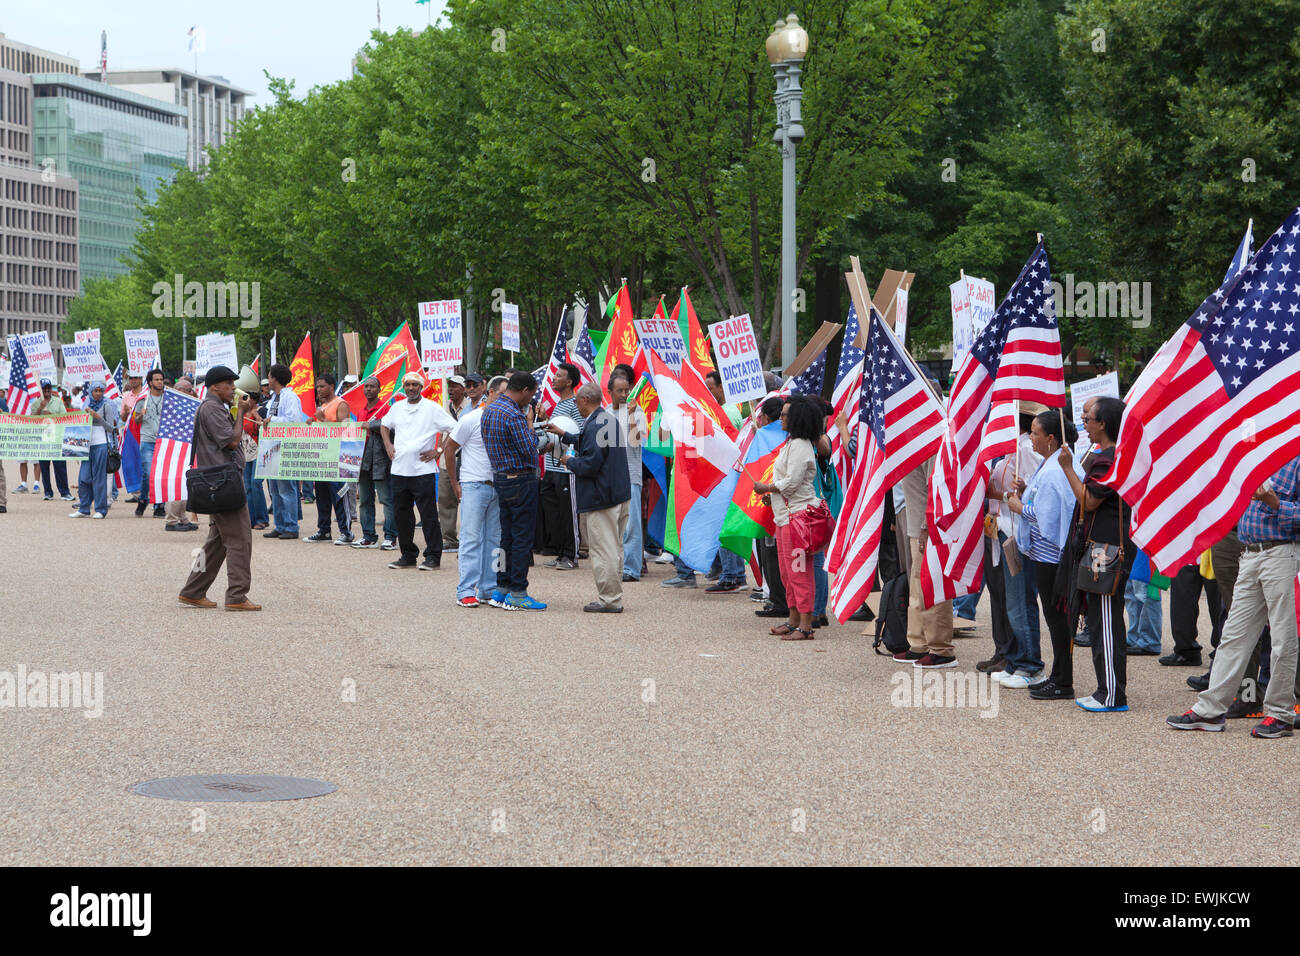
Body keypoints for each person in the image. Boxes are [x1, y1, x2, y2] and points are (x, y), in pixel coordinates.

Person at [1168, 455, 1299, 737]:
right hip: (1251, 553)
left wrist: (1274, 503)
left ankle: (1280, 714)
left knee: (1282, 638)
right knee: (1233, 635)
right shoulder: (1261, 452)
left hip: (1283, 553)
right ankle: (1211, 710)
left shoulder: (1295, 459)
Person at [1058, 395, 1132, 713]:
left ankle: (1113, 694)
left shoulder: (1113, 458)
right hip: (1098, 547)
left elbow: (1088, 501)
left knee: (1106, 620)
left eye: (1088, 419)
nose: (1084, 425)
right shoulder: (1104, 454)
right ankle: (1105, 688)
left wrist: (1067, 468)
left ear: (1103, 424)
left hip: (1107, 550)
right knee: (1100, 621)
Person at [1007, 410, 1082, 701]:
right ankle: (1059, 676)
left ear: (1051, 438)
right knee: (1056, 619)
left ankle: (1063, 681)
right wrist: (1026, 491)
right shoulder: (1052, 465)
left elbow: (1048, 517)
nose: (1031, 438)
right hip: (1049, 555)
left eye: (1036, 433)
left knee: (1057, 619)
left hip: (1050, 557)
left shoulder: (1054, 469)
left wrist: (1019, 507)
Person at [178, 365, 259, 611]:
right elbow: (232, 441)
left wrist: (236, 411)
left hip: (219, 483)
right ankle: (236, 595)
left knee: (216, 543)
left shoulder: (213, 407)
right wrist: (241, 413)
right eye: (229, 384)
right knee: (240, 539)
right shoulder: (212, 409)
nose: (234, 389)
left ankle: (193, 590)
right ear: (215, 386)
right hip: (223, 484)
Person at [549, 383, 631, 612]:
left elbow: (591, 464)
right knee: (614, 547)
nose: (576, 405)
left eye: (576, 401)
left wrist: (569, 461)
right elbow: (596, 448)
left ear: (585, 399)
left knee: (603, 549)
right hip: (618, 494)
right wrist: (565, 435)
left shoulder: (595, 425)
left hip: (601, 496)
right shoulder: (606, 420)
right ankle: (614, 594)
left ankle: (610, 599)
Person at [480, 370, 551, 610]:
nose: (529, 400)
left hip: (500, 478)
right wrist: (537, 432)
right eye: (530, 395)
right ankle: (518, 592)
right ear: (523, 391)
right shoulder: (514, 414)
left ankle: (501, 588)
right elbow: (529, 448)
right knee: (522, 538)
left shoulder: (489, 410)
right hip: (521, 480)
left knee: (505, 537)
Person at [752, 395, 821, 640]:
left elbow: (791, 483)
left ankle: (805, 625)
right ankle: (793, 621)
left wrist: (767, 488)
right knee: (787, 573)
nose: (780, 417)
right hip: (786, 519)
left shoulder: (801, 445)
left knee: (799, 573)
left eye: (785, 414)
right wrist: (773, 495)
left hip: (798, 520)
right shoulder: (792, 443)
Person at [987, 409, 1044, 687]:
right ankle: (1016, 660)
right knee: (1012, 601)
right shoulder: (1013, 449)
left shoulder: (1026, 451)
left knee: (1021, 601)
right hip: (1004, 531)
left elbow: (1035, 493)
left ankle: (1030, 665)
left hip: (1019, 534)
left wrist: (1006, 494)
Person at [381, 372, 456, 570]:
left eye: (415, 385)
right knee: (402, 515)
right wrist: (388, 445)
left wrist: (439, 450)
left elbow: (455, 428)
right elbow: (384, 425)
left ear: (421, 387)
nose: (411, 388)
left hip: (423, 471)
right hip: (399, 470)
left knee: (428, 515)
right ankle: (408, 554)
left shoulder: (431, 408)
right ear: (404, 387)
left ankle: (433, 556)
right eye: (408, 385)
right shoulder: (397, 407)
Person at [443, 383, 502, 608]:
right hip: (473, 485)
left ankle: (489, 589)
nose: (505, 399)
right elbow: (450, 449)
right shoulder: (471, 418)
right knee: (471, 538)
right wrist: (455, 482)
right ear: (492, 393)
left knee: (494, 540)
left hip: (498, 486)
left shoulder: (505, 418)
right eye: (501, 394)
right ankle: (466, 590)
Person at [539, 361, 584, 569]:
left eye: (559, 376)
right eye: (555, 375)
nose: (554, 379)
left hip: (566, 468)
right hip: (550, 466)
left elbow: (581, 435)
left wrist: (561, 437)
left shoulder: (576, 404)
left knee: (568, 513)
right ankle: (559, 553)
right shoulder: (557, 405)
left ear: (569, 382)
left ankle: (571, 555)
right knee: (554, 513)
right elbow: (558, 433)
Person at [607, 373, 648, 583]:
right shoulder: (604, 413)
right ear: (610, 392)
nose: (624, 395)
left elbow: (637, 440)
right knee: (612, 525)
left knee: (631, 524)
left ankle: (632, 568)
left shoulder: (637, 411)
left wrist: (632, 416)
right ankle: (616, 565)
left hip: (630, 475)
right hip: (609, 478)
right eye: (620, 391)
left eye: (627, 390)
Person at [306, 372, 355, 545]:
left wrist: (323, 420)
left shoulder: (341, 404)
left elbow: (346, 430)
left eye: (322, 386)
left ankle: (346, 532)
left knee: (340, 495)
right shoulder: (323, 406)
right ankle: (324, 530)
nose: (318, 390)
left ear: (331, 387)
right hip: (321, 458)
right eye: (317, 387)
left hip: (337, 458)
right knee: (322, 496)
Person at [262, 363, 306, 539]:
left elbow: (294, 420)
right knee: (274, 489)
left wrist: (272, 420)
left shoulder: (291, 397)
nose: (268, 380)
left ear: (275, 379)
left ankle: (291, 526)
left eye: (270, 376)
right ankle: (280, 525)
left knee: (286, 488)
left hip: (286, 447)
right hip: (272, 446)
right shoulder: (274, 398)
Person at [353, 374, 396, 550]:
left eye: (372, 386)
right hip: (363, 460)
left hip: (381, 460)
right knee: (365, 500)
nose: (369, 389)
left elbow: (391, 428)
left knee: (386, 499)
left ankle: (390, 537)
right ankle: (368, 536)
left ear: (379, 390)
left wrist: (371, 425)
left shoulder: (386, 408)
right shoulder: (361, 411)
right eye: (366, 386)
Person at [69, 382, 118, 519]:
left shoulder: (107, 406)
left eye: (100, 391)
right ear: (90, 392)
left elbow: (110, 427)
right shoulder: (86, 404)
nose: (98, 393)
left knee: (99, 478)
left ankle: (101, 509)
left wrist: (98, 418)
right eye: (95, 391)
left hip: (101, 444)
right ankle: (84, 508)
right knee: (84, 478)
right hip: (86, 444)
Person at [437, 374, 471, 550]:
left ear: (464, 389)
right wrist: (438, 453)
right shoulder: (445, 408)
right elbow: (441, 433)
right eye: (449, 386)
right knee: (445, 500)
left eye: (455, 386)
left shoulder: (471, 408)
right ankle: (449, 538)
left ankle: (469, 538)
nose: (451, 389)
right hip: (446, 461)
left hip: (466, 460)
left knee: (468, 499)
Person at [132, 369, 168, 518]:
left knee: (161, 474)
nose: (160, 382)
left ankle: (159, 505)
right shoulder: (142, 400)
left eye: (161, 379)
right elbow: (136, 420)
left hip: (163, 442)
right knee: (148, 473)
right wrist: (141, 415)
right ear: (150, 382)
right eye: (157, 379)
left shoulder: (168, 399)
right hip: (147, 441)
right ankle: (143, 499)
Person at [33, 381, 72, 501]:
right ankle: (48, 492)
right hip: (43, 439)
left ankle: (64, 492)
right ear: (41, 389)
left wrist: (52, 415)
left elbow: (65, 418)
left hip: (56, 438)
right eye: (44, 389)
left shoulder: (58, 401)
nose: (46, 391)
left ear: (51, 389)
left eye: (48, 388)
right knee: (44, 467)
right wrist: (40, 409)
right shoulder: (36, 403)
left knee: (60, 466)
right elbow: (30, 420)